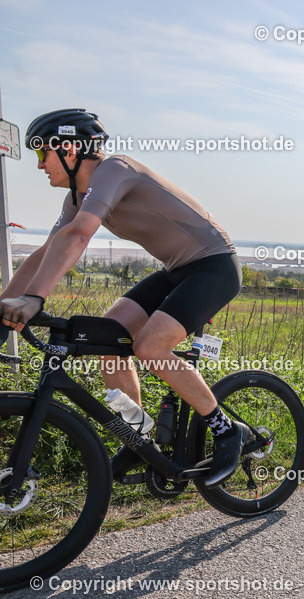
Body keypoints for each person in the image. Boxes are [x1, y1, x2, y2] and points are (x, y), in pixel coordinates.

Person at [0, 108, 250, 485]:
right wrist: (5, 307)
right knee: (106, 340)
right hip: (176, 269)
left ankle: (228, 429)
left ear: (69, 150)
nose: (39, 166)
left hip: (214, 266)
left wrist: (35, 298)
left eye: (42, 154)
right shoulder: (77, 196)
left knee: (150, 347)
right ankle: (139, 438)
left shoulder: (115, 170)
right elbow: (44, 252)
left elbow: (79, 235)